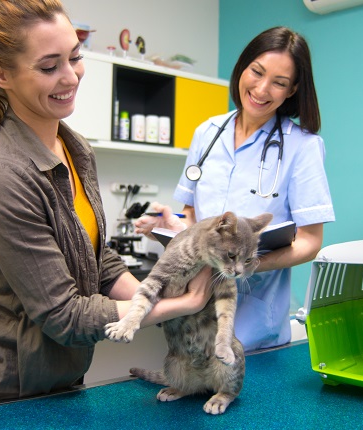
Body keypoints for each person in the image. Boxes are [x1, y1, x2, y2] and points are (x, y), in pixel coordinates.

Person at [0, 0, 212, 409]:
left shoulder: (74, 148)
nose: (71, 76)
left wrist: (150, 297)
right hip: (1, 395)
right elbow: (64, 315)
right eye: (49, 67)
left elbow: (97, 261)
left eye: (75, 57)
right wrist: (181, 305)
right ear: (0, 74)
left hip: (61, 382)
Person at [136, 27, 335, 352]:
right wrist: (166, 224)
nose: (261, 89)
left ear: (292, 89)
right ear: (242, 67)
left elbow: (311, 242)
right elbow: (192, 217)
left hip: (254, 329)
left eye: (279, 82)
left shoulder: (303, 147)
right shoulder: (206, 133)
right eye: (256, 72)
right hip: (194, 315)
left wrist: (247, 265)